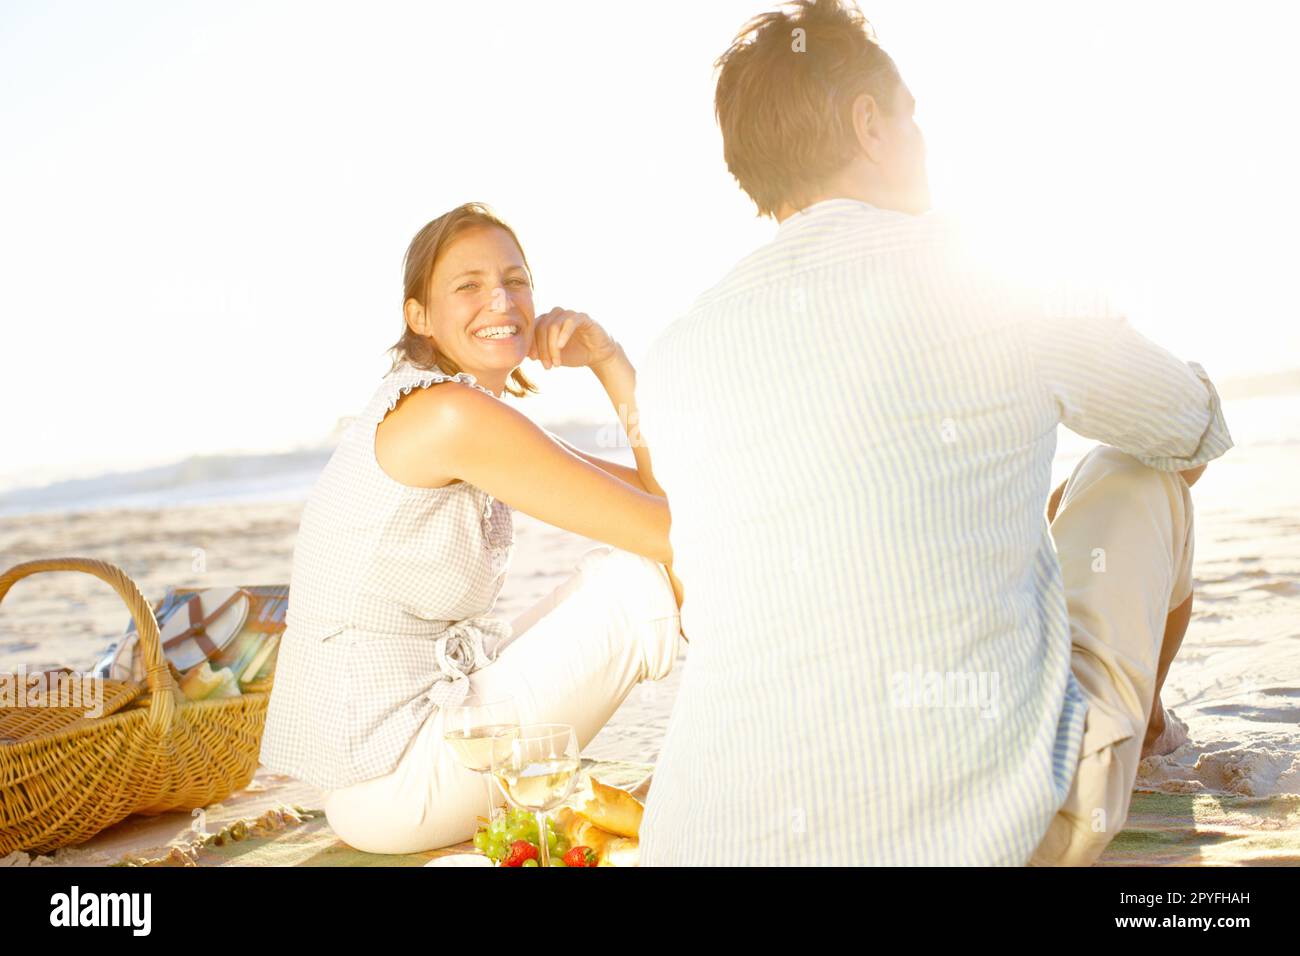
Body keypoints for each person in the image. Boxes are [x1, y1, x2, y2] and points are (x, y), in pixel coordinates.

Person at [632, 0, 1232, 865]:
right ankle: (1148, 753)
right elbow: (1190, 430)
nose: (923, 139)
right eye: (911, 115)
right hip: (977, 840)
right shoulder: (982, 267)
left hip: (705, 842)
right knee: (1139, 475)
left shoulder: (676, 350)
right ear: (869, 123)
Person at [258, 202, 683, 854]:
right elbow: (672, 531)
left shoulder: (449, 405)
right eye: (469, 285)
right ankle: (737, 756)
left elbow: (665, 495)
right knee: (643, 583)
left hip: (378, 776)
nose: (502, 301)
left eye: (516, 281)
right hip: (400, 780)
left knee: (631, 571)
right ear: (418, 316)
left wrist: (605, 356)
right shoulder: (451, 416)